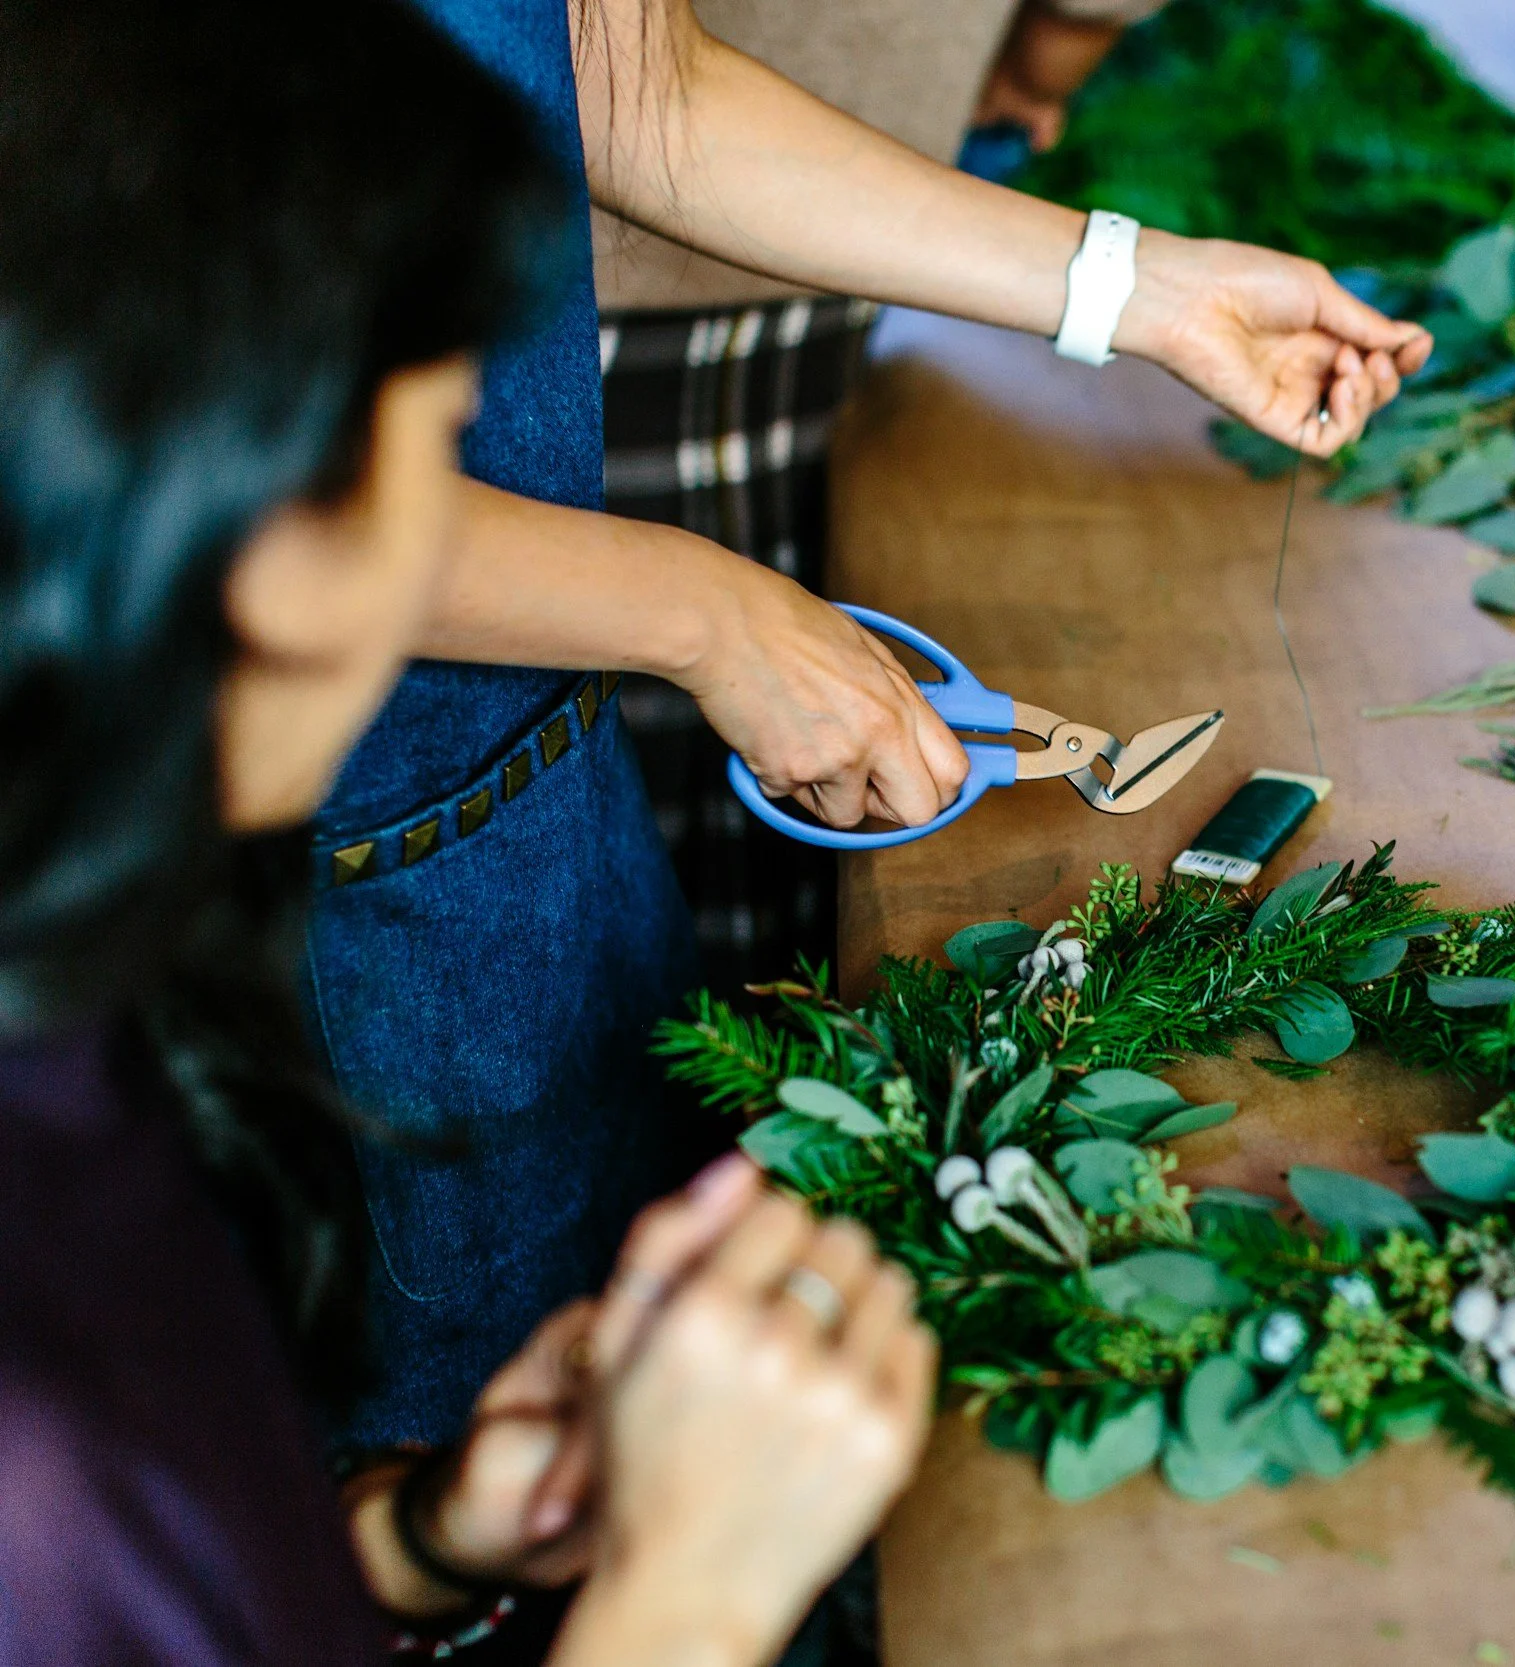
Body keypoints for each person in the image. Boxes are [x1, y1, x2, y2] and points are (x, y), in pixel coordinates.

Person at [322, 0, 1432, 1457]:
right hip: (318, 896)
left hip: (540, 784)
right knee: (431, 1474)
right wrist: (706, 612)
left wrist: (1139, 289)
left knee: (605, 1413)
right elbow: (226, 502)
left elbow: (631, 82)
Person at [0, 1, 934, 1661]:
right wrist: (685, 1597)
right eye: (434, 460)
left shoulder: (98, 1046)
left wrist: (420, 1534)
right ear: (256, 537)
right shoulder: (42, 1470)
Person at [594, 0, 1171, 988]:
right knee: (672, 784)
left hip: (736, 203)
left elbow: (638, 100)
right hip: (756, 209)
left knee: (651, 753)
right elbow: (636, 103)